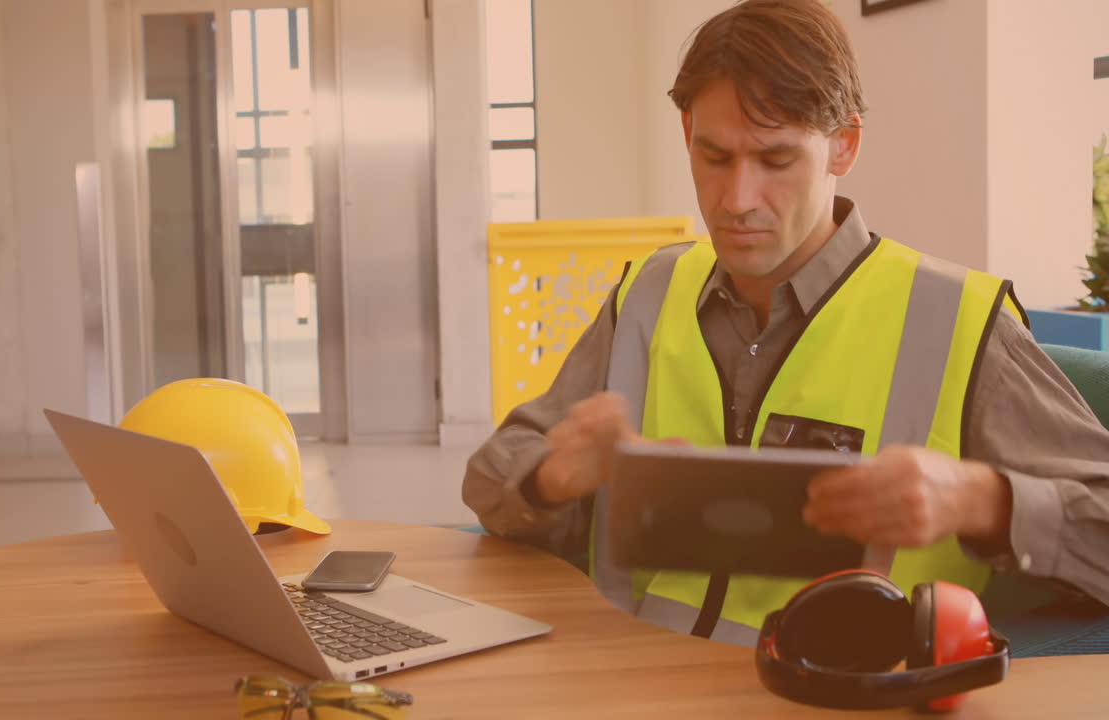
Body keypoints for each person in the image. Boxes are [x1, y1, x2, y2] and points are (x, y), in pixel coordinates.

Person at [463, 0, 1109, 646]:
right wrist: (555, 477)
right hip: (632, 687)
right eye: (715, 157)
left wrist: (984, 501)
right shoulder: (648, 292)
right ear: (687, 133)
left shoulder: (958, 320)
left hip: (846, 700)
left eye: (775, 161)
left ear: (843, 146)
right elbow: (491, 475)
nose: (737, 201)